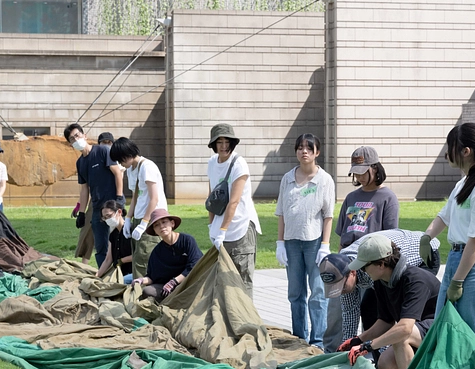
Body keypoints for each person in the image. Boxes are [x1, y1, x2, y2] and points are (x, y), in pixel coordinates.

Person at [422, 123, 475, 341]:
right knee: (443, 331)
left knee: (471, 336)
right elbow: (445, 215)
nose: (446, 154)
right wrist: (426, 237)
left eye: (450, 147)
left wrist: (458, 280)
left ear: (466, 151)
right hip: (457, 260)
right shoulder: (464, 183)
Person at [320, 229, 440, 352]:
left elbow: (397, 324)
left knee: (400, 319)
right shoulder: (347, 270)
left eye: (342, 286)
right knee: (377, 312)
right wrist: (351, 344)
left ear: (352, 273)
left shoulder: (372, 269)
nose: (341, 291)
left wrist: (372, 347)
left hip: (423, 251)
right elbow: (351, 313)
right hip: (386, 259)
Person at [344, 235, 440, 369]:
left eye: (364, 267)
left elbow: (405, 328)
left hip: (443, 332)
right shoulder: (381, 281)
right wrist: (358, 340)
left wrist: (367, 346)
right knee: (385, 364)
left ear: (381, 264)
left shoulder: (415, 280)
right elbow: (385, 321)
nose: (363, 271)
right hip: (420, 333)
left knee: (401, 336)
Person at [275, 133, 335, 348]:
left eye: (309, 148)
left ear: (317, 152)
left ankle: (318, 341)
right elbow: (281, 212)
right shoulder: (287, 178)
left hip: (314, 242)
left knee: (317, 293)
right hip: (291, 242)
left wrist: (325, 245)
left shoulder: (324, 180)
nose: (304, 152)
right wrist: (280, 242)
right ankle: (299, 337)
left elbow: (328, 215)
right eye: (300, 148)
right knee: (295, 293)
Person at [206, 123, 262, 297]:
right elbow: (211, 198)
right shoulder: (212, 163)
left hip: (241, 228)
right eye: (219, 142)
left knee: (241, 282)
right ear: (213, 144)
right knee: (222, 282)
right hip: (221, 230)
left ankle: (245, 315)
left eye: (227, 142)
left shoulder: (239, 163)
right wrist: (212, 226)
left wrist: (222, 230)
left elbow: (234, 201)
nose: (224, 146)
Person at [65, 123, 124, 270]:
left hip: (113, 203)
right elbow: (84, 189)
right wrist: (82, 213)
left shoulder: (102, 151)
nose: (76, 140)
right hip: (97, 208)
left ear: (84, 135)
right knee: (100, 246)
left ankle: (124, 273)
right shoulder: (80, 163)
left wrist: (119, 198)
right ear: (70, 144)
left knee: (122, 240)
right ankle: (104, 274)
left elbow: (117, 173)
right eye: (72, 139)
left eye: (77, 135)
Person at [110, 137, 167, 279]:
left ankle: (147, 291)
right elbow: (136, 196)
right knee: (138, 258)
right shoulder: (131, 169)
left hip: (152, 219)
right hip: (139, 218)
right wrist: (128, 219)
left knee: (147, 259)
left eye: (121, 159)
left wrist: (144, 223)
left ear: (127, 154)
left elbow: (154, 198)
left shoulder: (147, 167)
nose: (120, 163)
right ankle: (138, 290)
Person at [335, 146, 399, 250]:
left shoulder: (388, 198)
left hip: (372, 253)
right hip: (348, 252)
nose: (359, 177)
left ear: (375, 168)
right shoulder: (351, 197)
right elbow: (343, 235)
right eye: (356, 173)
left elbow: (392, 236)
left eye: (363, 172)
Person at [133, 208, 203, 300]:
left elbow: (195, 265)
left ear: (172, 223)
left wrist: (174, 282)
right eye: (157, 225)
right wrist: (140, 280)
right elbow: (152, 277)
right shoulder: (157, 251)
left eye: (164, 222)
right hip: (167, 289)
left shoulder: (187, 240)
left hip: (189, 283)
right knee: (148, 291)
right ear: (154, 230)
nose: (161, 226)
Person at [96, 199, 134, 282]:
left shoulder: (131, 230)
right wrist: (97, 276)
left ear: (119, 212)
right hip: (119, 272)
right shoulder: (113, 234)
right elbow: (108, 259)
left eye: (109, 216)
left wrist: (122, 260)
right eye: (104, 218)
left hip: (134, 272)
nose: (107, 219)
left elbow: (139, 256)